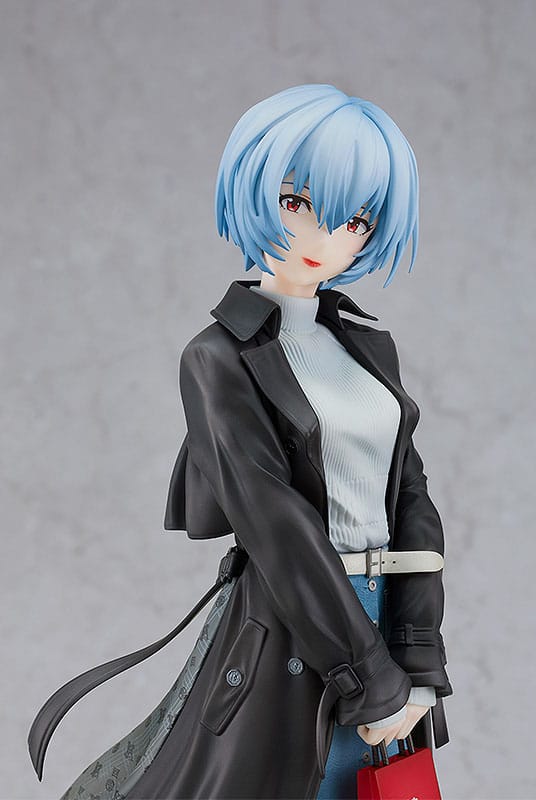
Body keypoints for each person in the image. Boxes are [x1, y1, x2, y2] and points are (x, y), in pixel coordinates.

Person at [28, 84, 452, 800]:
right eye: (297, 203)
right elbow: (274, 522)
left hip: (388, 621)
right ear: (253, 191)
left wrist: (419, 653)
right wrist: (369, 676)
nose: (324, 238)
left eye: (355, 220)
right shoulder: (218, 358)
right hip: (297, 624)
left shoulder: (367, 349)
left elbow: (412, 497)